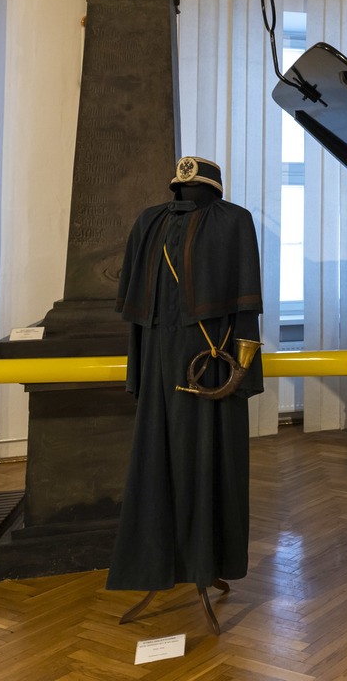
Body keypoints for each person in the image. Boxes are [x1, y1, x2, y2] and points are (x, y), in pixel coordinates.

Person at [106, 156, 263, 633]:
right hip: (190, 367)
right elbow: (142, 316)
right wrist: (245, 378)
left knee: (189, 462)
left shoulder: (219, 221)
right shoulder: (166, 221)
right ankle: (181, 563)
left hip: (196, 367)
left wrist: (240, 372)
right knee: (180, 463)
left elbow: (242, 307)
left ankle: (193, 564)